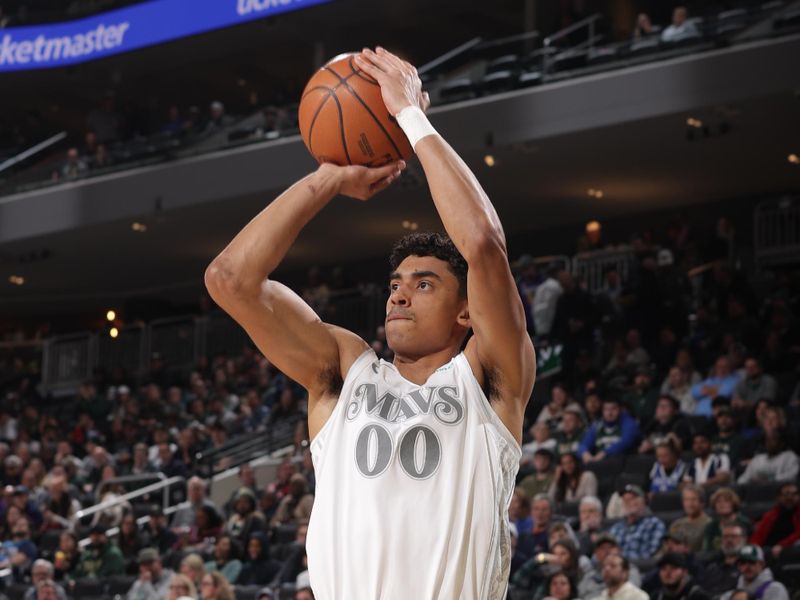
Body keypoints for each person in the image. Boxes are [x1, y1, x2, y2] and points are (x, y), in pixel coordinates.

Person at [205, 45, 535, 600]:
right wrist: (328, 178)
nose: (400, 295)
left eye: (424, 283)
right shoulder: (344, 370)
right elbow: (229, 279)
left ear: (466, 312)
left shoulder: (488, 378)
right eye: (395, 284)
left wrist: (410, 115)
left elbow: (480, 242)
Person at [609, 484, 666, 560]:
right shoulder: (616, 528)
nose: (628, 502)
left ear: (644, 501)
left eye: (632, 498)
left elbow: (650, 555)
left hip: (641, 568)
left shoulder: (654, 524)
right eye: (625, 499)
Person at [578, 397, 639, 462]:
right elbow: (584, 444)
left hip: (622, 463)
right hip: (600, 464)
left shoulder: (629, 422)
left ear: (620, 409)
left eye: (613, 409)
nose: (609, 413)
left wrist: (605, 453)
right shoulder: (597, 425)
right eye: (606, 409)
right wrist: (584, 453)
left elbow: (627, 441)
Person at [750, 482, 800, 559]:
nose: (790, 497)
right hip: (769, 550)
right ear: (779, 497)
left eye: (794, 494)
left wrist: (782, 545)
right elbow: (759, 535)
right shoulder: (771, 514)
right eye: (786, 494)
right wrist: (753, 549)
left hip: (790, 548)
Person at [720, 545, 789, 600]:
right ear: (738, 566)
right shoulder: (730, 594)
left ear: (762, 564)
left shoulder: (775, 589)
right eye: (743, 563)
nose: (747, 567)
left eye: (751, 562)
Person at [697, 523, 747, 597]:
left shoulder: (748, 566)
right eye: (726, 537)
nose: (729, 540)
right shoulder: (711, 565)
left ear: (744, 539)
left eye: (734, 536)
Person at [668, 485, 711, 553]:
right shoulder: (676, 524)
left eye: (693, 499)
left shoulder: (710, 525)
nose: (689, 504)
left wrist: (687, 551)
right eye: (686, 500)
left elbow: (708, 553)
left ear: (702, 503)